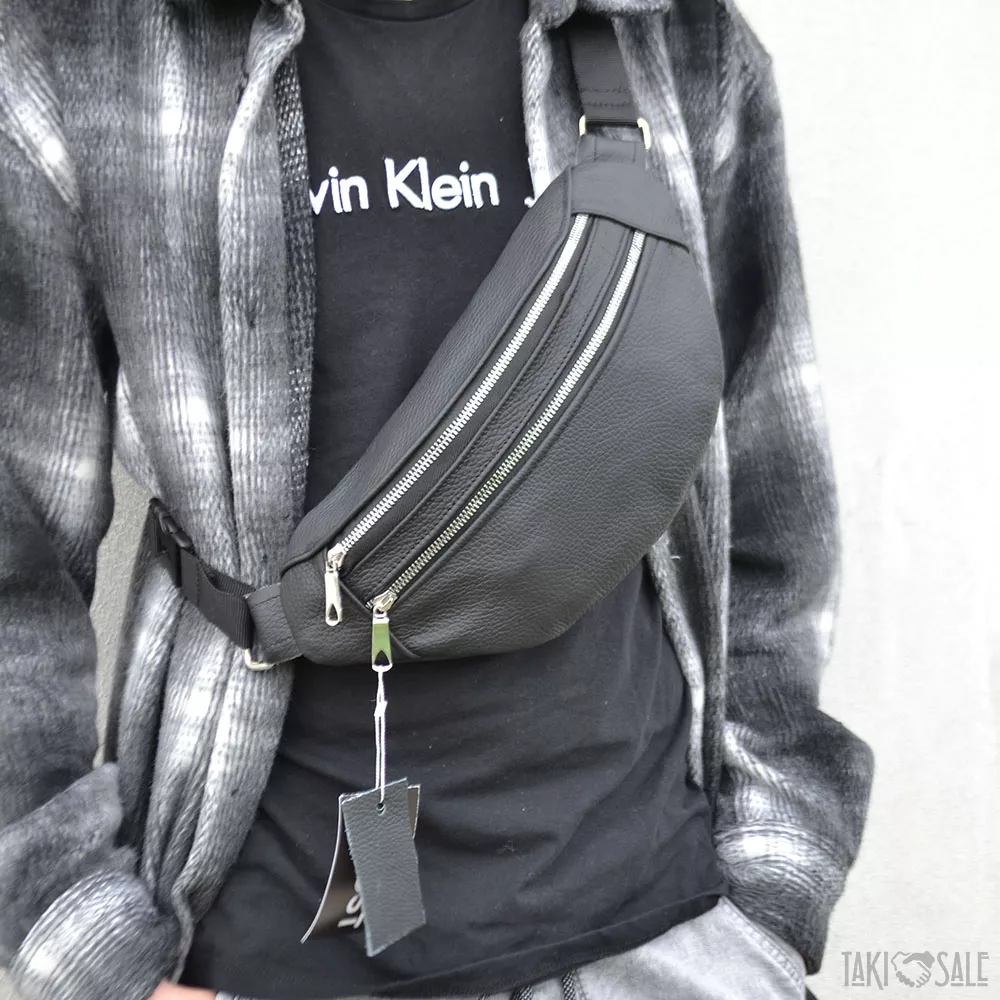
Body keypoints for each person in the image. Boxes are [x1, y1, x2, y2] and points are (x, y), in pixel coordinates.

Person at [0, 0, 875, 998]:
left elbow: (767, 484)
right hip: (262, 935)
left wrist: (770, 887)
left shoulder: (673, 36)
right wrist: (91, 949)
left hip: (665, 927)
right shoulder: (84, 46)